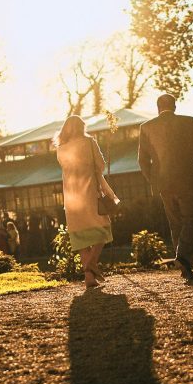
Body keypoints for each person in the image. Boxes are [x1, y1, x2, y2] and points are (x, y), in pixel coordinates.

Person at [138, 93, 193, 281]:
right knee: (192, 218)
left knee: (176, 223)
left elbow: (142, 160)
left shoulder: (146, 127)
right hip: (187, 179)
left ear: (157, 107)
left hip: (163, 183)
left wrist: (154, 180)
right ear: (175, 106)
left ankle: (185, 268)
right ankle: (183, 257)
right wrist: (186, 158)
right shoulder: (188, 122)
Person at [55, 114, 118, 288]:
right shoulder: (89, 143)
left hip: (71, 195)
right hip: (89, 192)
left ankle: (89, 276)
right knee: (102, 228)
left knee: (80, 234)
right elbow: (101, 165)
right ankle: (91, 266)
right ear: (81, 127)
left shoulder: (61, 148)